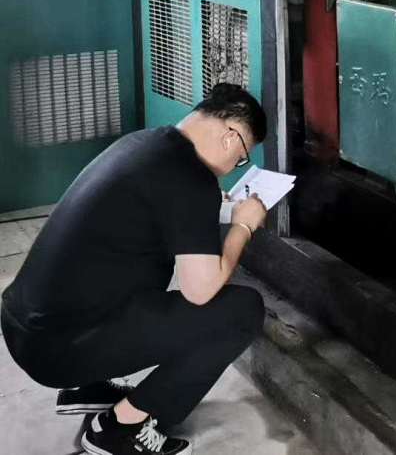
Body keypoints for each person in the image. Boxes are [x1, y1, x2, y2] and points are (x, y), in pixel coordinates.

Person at [1, 83, 270, 455]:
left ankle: (91, 387)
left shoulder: (145, 145)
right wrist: (243, 226)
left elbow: (163, 211)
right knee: (242, 311)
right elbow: (201, 291)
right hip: (59, 350)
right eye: (241, 158)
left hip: (27, 328)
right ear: (230, 137)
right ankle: (119, 427)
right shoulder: (191, 178)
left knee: (134, 270)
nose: (232, 168)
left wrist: (213, 207)